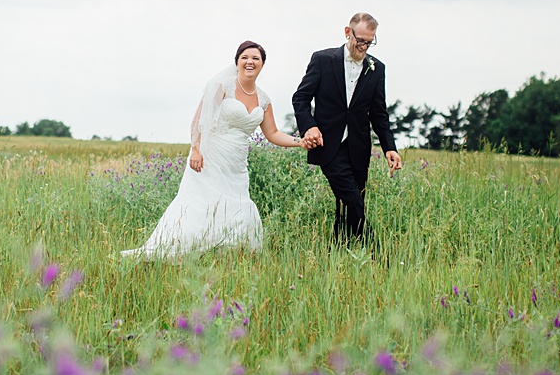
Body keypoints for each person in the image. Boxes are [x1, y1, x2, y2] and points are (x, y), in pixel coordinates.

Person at [122, 41, 307, 259]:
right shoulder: (223, 87)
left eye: (255, 58)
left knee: (237, 207)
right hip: (210, 157)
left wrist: (300, 142)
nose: (250, 62)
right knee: (200, 205)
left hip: (237, 164)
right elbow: (200, 119)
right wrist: (196, 149)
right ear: (237, 62)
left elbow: (273, 133)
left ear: (262, 64)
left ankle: (223, 255)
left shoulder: (264, 99)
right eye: (245, 57)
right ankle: (178, 251)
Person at [292, 13, 402, 244]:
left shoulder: (377, 68)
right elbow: (300, 98)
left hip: (359, 148)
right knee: (353, 201)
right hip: (328, 145)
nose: (363, 46)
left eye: (369, 42)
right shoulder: (322, 60)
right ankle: (377, 253)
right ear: (347, 32)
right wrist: (309, 127)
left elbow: (379, 113)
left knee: (346, 207)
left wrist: (389, 148)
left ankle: (338, 253)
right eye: (359, 40)